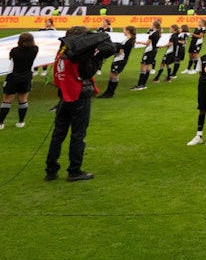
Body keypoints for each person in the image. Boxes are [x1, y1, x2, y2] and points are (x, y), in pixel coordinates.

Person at [45, 26, 107, 182]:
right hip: (79, 97)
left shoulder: (61, 52)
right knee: (78, 134)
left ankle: (51, 169)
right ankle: (74, 170)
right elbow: (87, 72)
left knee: (58, 134)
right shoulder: (77, 55)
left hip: (64, 97)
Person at [1, 32, 37, 129]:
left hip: (13, 77)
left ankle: (1, 123)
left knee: (7, 100)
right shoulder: (35, 49)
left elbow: (10, 58)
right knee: (23, 100)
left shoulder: (15, 51)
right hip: (27, 77)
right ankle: (21, 122)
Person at [97, 25, 136, 99]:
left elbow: (121, 52)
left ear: (128, 31)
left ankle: (110, 93)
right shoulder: (128, 40)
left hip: (120, 60)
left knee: (114, 75)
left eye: (124, 30)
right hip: (120, 59)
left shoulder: (128, 41)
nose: (123, 31)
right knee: (112, 75)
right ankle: (109, 91)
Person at [131, 19, 162, 91]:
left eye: (151, 24)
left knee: (143, 67)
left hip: (149, 51)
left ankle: (140, 85)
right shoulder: (158, 33)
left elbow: (147, 43)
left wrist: (138, 42)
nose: (150, 25)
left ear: (154, 26)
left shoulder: (153, 33)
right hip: (153, 51)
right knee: (148, 67)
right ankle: (143, 84)